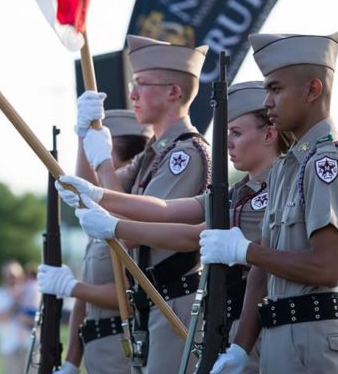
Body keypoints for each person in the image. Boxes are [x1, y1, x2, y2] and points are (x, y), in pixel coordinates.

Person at [56, 81, 294, 373]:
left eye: (236, 133)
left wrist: (114, 226)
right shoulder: (238, 193)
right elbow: (166, 208)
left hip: (251, 327)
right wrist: (96, 194)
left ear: (269, 134)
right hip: (224, 321)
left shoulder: (272, 193)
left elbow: (190, 235)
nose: (227, 143)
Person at [201, 31, 338, 373]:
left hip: (312, 340)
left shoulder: (327, 164)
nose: (267, 102)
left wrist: (244, 251)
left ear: (312, 90)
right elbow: (263, 269)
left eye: (276, 89)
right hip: (278, 337)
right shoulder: (287, 168)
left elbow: (327, 267)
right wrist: (240, 349)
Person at [69, 35, 211, 372]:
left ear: (173, 93)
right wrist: (84, 136)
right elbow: (89, 194)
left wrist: (104, 163)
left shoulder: (184, 154)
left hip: (175, 299)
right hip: (153, 300)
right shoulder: (154, 155)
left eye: (142, 84)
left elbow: (134, 233)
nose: (132, 93)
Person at [39, 110, 152, 374]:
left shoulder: (132, 223)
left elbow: (128, 293)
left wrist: (72, 286)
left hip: (122, 350)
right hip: (96, 351)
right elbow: (84, 303)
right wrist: (71, 362)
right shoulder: (100, 223)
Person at [0, 261, 31, 374]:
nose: (12, 279)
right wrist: (15, 303)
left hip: (31, 347)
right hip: (9, 348)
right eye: (8, 276)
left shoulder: (31, 292)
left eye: (14, 276)